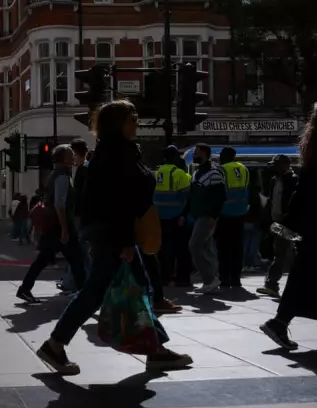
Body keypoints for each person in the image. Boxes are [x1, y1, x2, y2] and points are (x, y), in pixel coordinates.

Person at [34, 100, 192, 375]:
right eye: (132, 117)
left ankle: (156, 350)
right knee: (95, 291)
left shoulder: (121, 152)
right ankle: (55, 344)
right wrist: (125, 242)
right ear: (119, 123)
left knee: (139, 287)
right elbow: (115, 203)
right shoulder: (113, 155)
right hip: (114, 235)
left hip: (116, 234)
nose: (137, 122)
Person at [260, 97, 317, 350]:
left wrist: (293, 222)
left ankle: (279, 321)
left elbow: (303, 190)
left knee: (305, 275)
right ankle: (278, 322)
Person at [16, 145, 86, 304]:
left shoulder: (56, 174)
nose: (73, 156)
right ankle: (84, 294)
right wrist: (65, 229)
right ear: (64, 158)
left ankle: (25, 289)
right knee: (76, 260)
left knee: (46, 259)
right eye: (71, 154)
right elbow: (59, 204)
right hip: (60, 225)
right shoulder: (62, 177)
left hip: (55, 226)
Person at [184, 143, 226, 294]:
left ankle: (210, 279)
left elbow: (219, 197)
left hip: (207, 216)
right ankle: (212, 280)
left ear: (204, 153)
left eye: (196, 152)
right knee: (206, 248)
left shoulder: (213, 173)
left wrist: (214, 217)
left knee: (194, 245)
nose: (194, 155)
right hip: (198, 216)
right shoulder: (197, 173)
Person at [257, 154, 298, 298]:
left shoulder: (294, 181)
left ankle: (272, 284)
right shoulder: (274, 180)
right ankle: (272, 284)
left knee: (283, 255)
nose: (273, 167)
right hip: (277, 224)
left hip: (289, 224)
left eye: (276, 164)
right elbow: (271, 202)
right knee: (281, 254)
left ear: (285, 165)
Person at [154, 146, 192, 287]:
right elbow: (187, 198)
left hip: (160, 218)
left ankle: (165, 277)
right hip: (177, 218)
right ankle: (183, 278)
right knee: (181, 250)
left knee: (164, 250)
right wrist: (184, 215)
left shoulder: (157, 173)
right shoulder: (180, 174)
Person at [59, 139, 91, 293]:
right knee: (79, 252)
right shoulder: (82, 169)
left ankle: (74, 282)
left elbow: (81, 196)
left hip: (80, 216)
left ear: (78, 154)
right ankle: (72, 281)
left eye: (72, 154)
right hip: (81, 216)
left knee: (80, 251)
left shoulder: (83, 170)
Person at [216, 147, 250, 289]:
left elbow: (217, 193)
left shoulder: (221, 170)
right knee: (237, 247)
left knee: (223, 248)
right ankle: (236, 278)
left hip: (224, 214)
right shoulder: (244, 169)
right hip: (240, 213)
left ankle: (225, 278)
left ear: (225, 156)